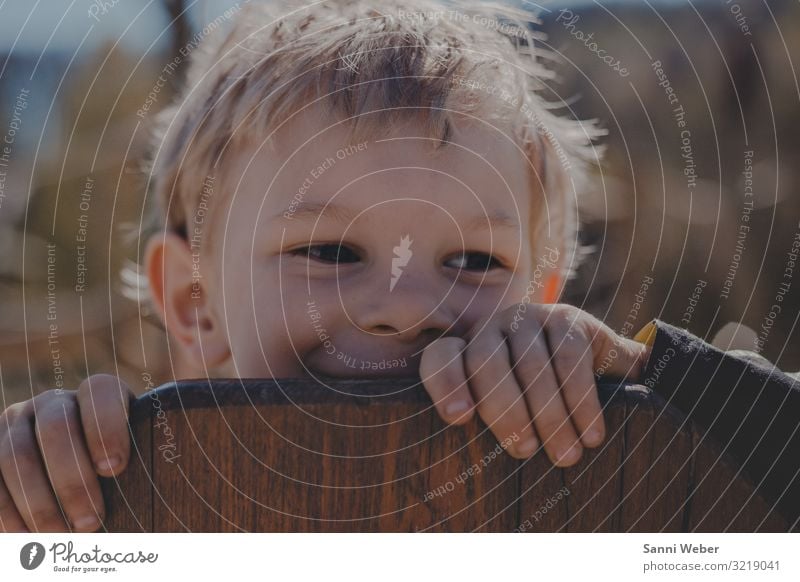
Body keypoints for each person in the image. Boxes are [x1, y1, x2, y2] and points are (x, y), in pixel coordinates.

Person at [0, 0, 796, 534]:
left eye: (477, 260)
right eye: (330, 251)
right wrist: (30, 495)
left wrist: (654, 377)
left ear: (543, 299)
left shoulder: (606, 488)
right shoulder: (126, 500)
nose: (405, 307)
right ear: (197, 303)